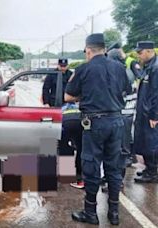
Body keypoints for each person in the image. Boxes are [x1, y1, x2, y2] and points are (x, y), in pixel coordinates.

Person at [65, 33, 129, 226]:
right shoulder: (119, 68)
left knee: (91, 166)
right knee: (114, 167)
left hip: (95, 123)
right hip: (117, 121)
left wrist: (85, 95)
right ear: (104, 49)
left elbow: (68, 97)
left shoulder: (84, 69)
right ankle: (114, 213)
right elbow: (126, 90)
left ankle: (90, 212)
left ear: (89, 50)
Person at [107, 42, 143, 166]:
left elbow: (121, 92)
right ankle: (130, 156)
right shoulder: (125, 70)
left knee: (124, 137)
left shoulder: (123, 72)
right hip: (128, 108)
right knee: (127, 135)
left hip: (125, 108)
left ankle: (126, 157)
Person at [133, 41, 158, 183]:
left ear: (149, 51)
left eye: (140, 52)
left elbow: (156, 94)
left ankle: (153, 172)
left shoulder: (155, 68)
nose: (138, 55)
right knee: (145, 142)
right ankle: (149, 168)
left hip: (151, 114)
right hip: (144, 112)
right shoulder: (148, 67)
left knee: (151, 142)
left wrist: (155, 115)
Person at [61, 102, 84, 189]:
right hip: (79, 121)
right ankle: (79, 174)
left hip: (65, 122)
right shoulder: (77, 106)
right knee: (80, 148)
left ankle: (66, 174)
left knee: (64, 145)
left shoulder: (62, 108)